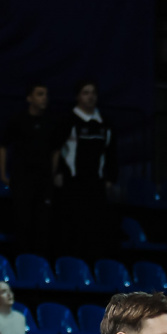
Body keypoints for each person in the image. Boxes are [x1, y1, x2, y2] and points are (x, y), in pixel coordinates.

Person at [54, 82, 116, 258]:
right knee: (72, 228)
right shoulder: (68, 121)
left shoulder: (105, 123)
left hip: (96, 184)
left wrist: (110, 178)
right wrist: (56, 173)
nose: (90, 96)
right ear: (77, 97)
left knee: (95, 229)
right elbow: (56, 150)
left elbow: (111, 152)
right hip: (73, 183)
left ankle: (91, 265)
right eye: (85, 93)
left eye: (93, 93)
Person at [0, 83, 56, 250]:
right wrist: (3, 174)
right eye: (40, 94)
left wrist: (52, 174)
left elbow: (56, 150)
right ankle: (21, 259)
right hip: (22, 180)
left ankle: (39, 261)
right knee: (22, 222)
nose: (44, 98)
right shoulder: (18, 120)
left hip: (43, 181)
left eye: (46, 94)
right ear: (29, 98)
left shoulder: (50, 122)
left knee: (42, 224)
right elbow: (3, 146)